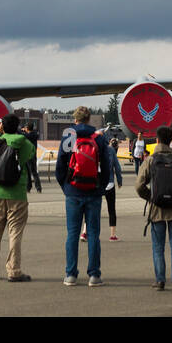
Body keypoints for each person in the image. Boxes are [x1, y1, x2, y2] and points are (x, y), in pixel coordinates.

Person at [55, 106, 110, 286]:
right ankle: (94, 275)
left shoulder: (70, 135)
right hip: (93, 190)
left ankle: (71, 274)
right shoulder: (98, 137)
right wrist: (101, 186)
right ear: (88, 119)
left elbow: (61, 163)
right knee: (93, 233)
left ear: (75, 119)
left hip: (73, 190)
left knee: (72, 234)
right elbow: (107, 166)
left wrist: (65, 185)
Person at [0, 113, 38, 281]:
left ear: (2, 126)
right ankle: (14, 270)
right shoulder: (23, 143)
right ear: (18, 126)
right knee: (15, 234)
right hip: (17, 194)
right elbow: (29, 155)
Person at [135, 124, 172, 292]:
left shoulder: (150, 160)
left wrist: (151, 197)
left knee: (158, 246)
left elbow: (139, 186)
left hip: (156, 210)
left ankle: (160, 281)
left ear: (157, 140)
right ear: (170, 141)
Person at [104, 136, 124, 241]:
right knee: (111, 209)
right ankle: (112, 235)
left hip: (97, 183)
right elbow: (117, 167)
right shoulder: (111, 150)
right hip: (110, 183)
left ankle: (85, 232)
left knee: (91, 209)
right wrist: (119, 181)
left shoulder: (94, 148)